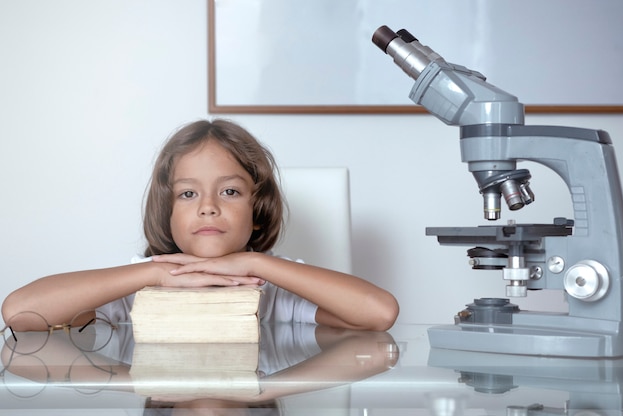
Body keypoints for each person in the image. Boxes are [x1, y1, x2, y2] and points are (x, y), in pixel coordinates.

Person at [1, 119, 399, 332]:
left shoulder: (273, 291)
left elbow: (379, 312)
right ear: (167, 212)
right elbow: (19, 311)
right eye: (188, 195)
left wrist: (256, 264)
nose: (208, 208)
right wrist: (154, 273)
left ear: (257, 208)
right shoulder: (137, 288)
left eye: (229, 192)